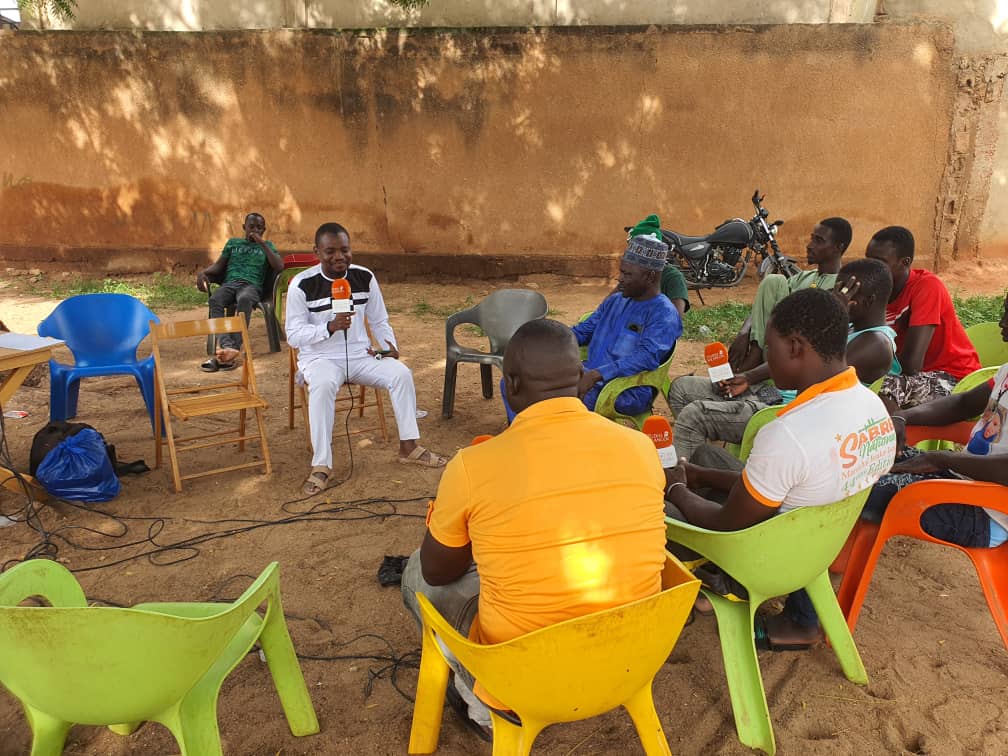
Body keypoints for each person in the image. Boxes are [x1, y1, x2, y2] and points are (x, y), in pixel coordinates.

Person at [402, 318, 667, 739]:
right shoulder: (639, 447)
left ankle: (481, 706)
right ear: (581, 380)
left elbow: (437, 572)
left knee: (415, 571)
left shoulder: (472, 466)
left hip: (523, 679)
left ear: (510, 385)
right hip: (632, 657)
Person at [664, 288, 897, 649]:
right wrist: (698, 475)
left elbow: (727, 523)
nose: (767, 360)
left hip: (768, 560)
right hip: (818, 546)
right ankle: (712, 563)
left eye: (770, 349)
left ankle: (712, 585)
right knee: (706, 461)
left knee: (656, 511)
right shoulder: (872, 407)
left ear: (795, 347)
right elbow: (794, 480)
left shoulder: (789, 434)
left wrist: (676, 489)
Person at [669, 257, 898, 462]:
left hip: (792, 412)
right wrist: (748, 377)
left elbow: (814, 364)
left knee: (694, 415)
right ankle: (708, 461)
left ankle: (689, 482)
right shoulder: (848, 326)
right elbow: (793, 356)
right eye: (838, 288)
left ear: (868, 300)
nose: (839, 294)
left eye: (846, 290)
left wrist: (833, 310)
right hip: (773, 395)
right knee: (682, 388)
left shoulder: (877, 344)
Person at [285, 222, 446, 495]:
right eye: (330, 251)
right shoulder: (301, 285)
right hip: (320, 358)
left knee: (401, 374)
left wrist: (388, 347)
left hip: (361, 355)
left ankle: (409, 445)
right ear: (317, 251)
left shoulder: (364, 277)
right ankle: (321, 465)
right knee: (322, 387)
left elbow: (379, 319)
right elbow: (293, 335)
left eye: (345, 250)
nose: (339, 257)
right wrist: (328, 327)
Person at [861, 292, 1008, 548]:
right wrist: (902, 416)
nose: (1002, 322)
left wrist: (939, 458)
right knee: (859, 457)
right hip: (962, 480)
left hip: (988, 512)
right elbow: (963, 403)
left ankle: (804, 576)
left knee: (857, 490)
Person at [500, 229, 682, 423]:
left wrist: (598, 374)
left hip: (627, 389)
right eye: (621, 271)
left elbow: (645, 357)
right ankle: (529, 437)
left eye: (627, 274)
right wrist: (544, 343)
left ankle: (550, 442)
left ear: (650, 277)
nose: (620, 278)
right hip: (590, 377)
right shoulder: (616, 301)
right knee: (515, 384)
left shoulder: (663, 314)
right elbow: (583, 331)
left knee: (553, 400)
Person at [865, 226, 980, 410]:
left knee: (886, 389)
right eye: (868, 260)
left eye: (880, 262)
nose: (871, 268)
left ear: (905, 262)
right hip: (910, 375)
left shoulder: (927, 287)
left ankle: (896, 437)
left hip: (954, 377)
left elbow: (912, 365)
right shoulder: (876, 290)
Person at [729, 217, 852, 372]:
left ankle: (754, 361)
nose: (809, 246)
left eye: (819, 241)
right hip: (774, 349)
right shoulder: (803, 277)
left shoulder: (840, 285)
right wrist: (744, 332)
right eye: (812, 239)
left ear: (838, 247)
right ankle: (756, 353)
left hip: (801, 356)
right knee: (773, 281)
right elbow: (764, 305)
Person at [197, 212, 284, 372]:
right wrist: (204, 273)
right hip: (230, 284)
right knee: (215, 300)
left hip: (252, 286)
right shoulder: (233, 243)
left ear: (263, 230)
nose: (255, 230)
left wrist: (262, 244)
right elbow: (219, 266)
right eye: (251, 227)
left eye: (259, 228)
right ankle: (227, 347)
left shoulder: (268, 246)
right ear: (244, 227)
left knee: (244, 299)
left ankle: (233, 348)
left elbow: (279, 267)